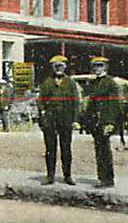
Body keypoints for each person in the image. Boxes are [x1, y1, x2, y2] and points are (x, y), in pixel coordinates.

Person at [37, 55, 81, 185]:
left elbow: (75, 102)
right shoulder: (47, 82)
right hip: (50, 120)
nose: (58, 69)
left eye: (61, 66)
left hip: (66, 119)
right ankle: (50, 176)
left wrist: (75, 120)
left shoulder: (71, 82)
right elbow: (40, 100)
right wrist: (43, 112)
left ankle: (67, 176)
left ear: (65, 67)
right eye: (56, 66)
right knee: (50, 148)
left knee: (66, 148)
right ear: (52, 68)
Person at [86, 56, 120, 188]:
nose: (97, 69)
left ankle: (107, 179)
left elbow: (113, 104)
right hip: (95, 121)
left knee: (104, 150)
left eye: (100, 66)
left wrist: (110, 122)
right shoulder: (94, 83)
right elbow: (90, 103)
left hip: (105, 120)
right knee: (99, 150)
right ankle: (101, 177)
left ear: (105, 67)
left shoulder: (110, 82)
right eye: (95, 67)